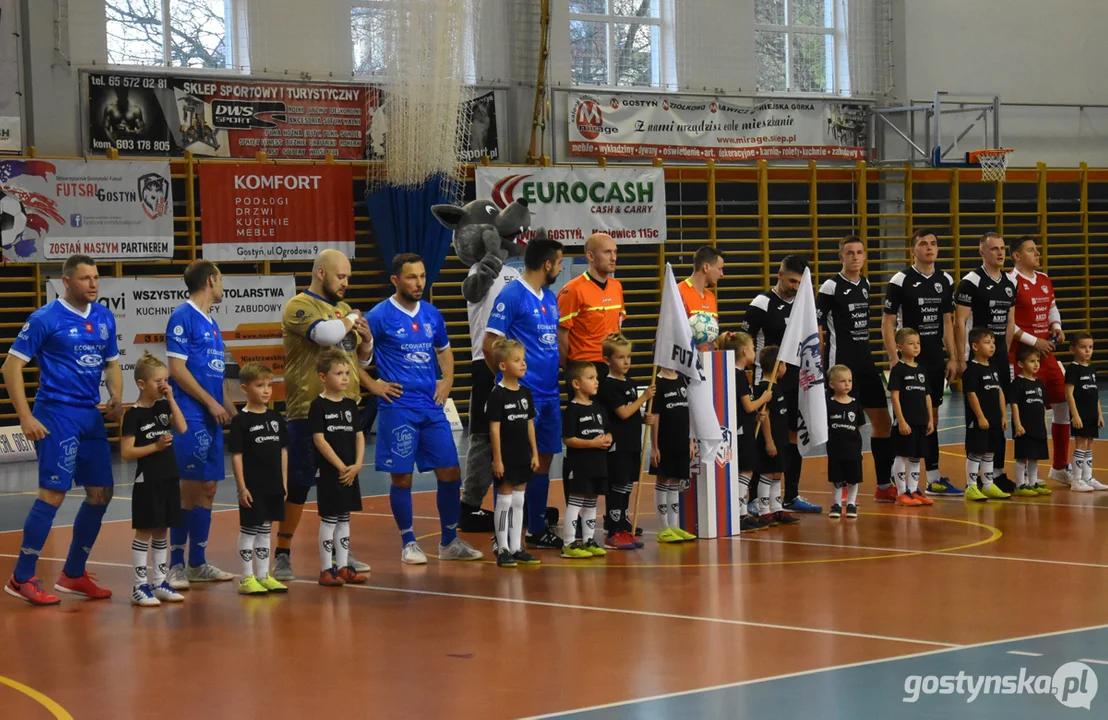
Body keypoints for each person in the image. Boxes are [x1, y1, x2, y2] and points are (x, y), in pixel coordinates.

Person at [3, 255, 122, 605]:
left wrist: (116, 395)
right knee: (53, 494)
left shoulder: (103, 317)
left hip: (90, 415)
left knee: (102, 493)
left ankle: (73, 573)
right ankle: (21, 577)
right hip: (56, 413)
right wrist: (25, 416)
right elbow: (11, 368)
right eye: (85, 278)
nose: (93, 284)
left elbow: (112, 364)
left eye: (96, 277)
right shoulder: (45, 318)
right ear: (66, 282)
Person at [369, 253, 484, 564]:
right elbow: (353, 357)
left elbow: (444, 351)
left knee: (450, 471)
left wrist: (447, 381)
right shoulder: (379, 316)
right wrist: (374, 385)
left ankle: (449, 541)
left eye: (422, 276)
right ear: (395, 280)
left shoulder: (432, 314)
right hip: (398, 408)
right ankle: (408, 542)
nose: (419, 282)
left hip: (432, 407)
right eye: (411, 277)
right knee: (402, 477)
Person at [274, 249, 381, 581]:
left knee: (342, 481)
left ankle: (341, 554)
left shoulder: (343, 311)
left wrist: (366, 343)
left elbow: (356, 361)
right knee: (301, 484)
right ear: (321, 273)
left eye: (348, 277)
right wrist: (349, 321)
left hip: (345, 410)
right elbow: (326, 335)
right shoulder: (299, 306)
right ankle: (282, 552)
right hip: (309, 409)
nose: (346, 283)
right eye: (341, 276)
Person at [484, 235, 566, 550]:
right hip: (522, 397)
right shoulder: (513, 294)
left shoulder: (550, 297)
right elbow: (490, 344)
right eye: (559, 262)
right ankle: (502, 535)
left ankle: (535, 528)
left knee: (541, 459)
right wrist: (509, 388)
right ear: (547, 263)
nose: (559, 267)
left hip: (549, 394)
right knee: (510, 463)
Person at [163, 260, 237, 588]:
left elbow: (216, 371)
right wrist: (209, 402)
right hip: (190, 413)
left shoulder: (213, 323)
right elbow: (177, 369)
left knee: (208, 487)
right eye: (221, 279)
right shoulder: (183, 315)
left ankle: (197, 562)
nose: (223, 285)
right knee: (189, 487)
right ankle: (175, 564)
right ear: (211, 280)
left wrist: (229, 403)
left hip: (211, 416)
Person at [882, 229, 960, 498]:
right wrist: (895, 360)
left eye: (934, 243)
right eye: (923, 244)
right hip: (909, 361)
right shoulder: (901, 280)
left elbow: (948, 321)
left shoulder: (945, 279)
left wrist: (953, 356)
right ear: (912, 250)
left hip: (934, 359)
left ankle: (934, 478)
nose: (929, 248)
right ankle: (901, 485)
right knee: (904, 421)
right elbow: (888, 323)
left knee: (932, 418)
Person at [742, 255, 821, 514]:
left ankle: (790, 495)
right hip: (767, 383)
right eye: (791, 281)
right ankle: (753, 498)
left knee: (792, 438)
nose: (795, 287)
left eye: (800, 283)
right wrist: (746, 382)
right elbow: (745, 344)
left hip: (796, 381)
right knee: (764, 438)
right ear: (779, 275)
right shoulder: (761, 304)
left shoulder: (802, 305)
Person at [817, 236, 892, 501]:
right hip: (842, 365)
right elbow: (818, 327)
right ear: (841, 257)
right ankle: (845, 484)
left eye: (860, 252)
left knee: (883, 422)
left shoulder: (866, 284)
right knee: (846, 427)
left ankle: (884, 486)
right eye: (850, 253)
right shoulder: (830, 286)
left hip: (866, 362)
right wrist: (823, 364)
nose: (855, 257)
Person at [121, 352, 188, 607]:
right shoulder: (133, 415)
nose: (164, 385)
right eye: (158, 381)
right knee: (146, 531)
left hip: (169, 476)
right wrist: (156, 446)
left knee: (163, 529)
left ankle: (160, 582)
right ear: (141, 384)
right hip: (147, 479)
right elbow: (127, 452)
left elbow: (182, 428)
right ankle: (139, 587)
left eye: (166, 380)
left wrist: (171, 399)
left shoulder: (163, 406)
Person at [955, 232, 1017, 491]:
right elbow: (959, 321)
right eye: (994, 249)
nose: (1000, 253)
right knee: (978, 418)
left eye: (1002, 248)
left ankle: (996, 473)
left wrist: (1003, 352)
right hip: (976, 359)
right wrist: (961, 358)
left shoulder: (1009, 283)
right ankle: (975, 478)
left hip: (999, 357)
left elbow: (1011, 322)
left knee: (998, 415)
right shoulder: (971, 282)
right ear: (982, 252)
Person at [1007, 236, 1072, 484]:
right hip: (1023, 356)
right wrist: (1036, 342)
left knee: (1063, 403)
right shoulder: (1011, 281)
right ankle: (1024, 476)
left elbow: (1051, 306)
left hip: (1047, 354)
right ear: (1017, 256)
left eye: (1037, 249)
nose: (1037, 253)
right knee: (1026, 413)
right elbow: (1007, 324)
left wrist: (1056, 326)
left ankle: (1059, 467)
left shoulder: (1044, 279)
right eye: (1031, 250)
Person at [229, 362, 290, 596]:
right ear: (245, 389)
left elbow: (283, 451)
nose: (266, 390)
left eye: (269, 385)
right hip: (252, 486)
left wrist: (283, 483)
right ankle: (246, 578)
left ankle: (264, 575)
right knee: (249, 530)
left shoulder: (276, 418)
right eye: (259, 385)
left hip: (273, 484)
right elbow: (237, 456)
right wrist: (242, 487)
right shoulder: (240, 421)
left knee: (266, 529)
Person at [310, 350, 369, 585]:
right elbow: (319, 439)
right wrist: (341, 466)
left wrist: (357, 465)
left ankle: (343, 566)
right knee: (330, 519)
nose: (344, 378)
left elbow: (359, 436)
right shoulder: (318, 406)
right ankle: (326, 569)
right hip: (330, 472)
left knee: (345, 518)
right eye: (338, 373)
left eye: (346, 373)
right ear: (323, 377)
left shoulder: (350, 405)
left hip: (350, 472)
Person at [486, 339, 541, 568]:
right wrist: (497, 460)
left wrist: (535, 453)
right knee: (505, 501)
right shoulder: (497, 395)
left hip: (522, 455)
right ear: (503, 366)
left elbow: (529, 424)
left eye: (524, 360)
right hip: (505, 456)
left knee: (519, 500)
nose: (523, 364)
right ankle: (503, 548)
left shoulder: (526, 393)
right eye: (517, 360)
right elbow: (494, 429)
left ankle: (517, 546)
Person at [596, 333, 653, 550]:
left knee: (627, 485)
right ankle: (613, 530)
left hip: (631, 443)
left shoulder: (630, 382)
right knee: (617, 487)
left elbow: (632, 413)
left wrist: (644, 417)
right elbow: (622, 413)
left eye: (628, 357)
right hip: (617, 445)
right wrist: (643, 398)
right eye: (620, 357)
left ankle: (622, 525)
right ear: (608, 360)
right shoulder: (608, 385)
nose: (626, 361)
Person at [716, 331, 772, 532]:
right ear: (743, 351)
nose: (755, 352)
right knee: (746, 470)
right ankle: (740, 513)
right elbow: (748, 406)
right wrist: (763, 399)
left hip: (739, 427)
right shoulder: (738, 375)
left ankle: (741, 512)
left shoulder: (730, 372)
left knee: (742, 470)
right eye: (752, 348)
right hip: (740, 431)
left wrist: (755, 417)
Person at [558, 232, 626, 387]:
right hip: (584, 368)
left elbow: (618, 327)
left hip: (612, 366)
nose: (613, 258)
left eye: (615, 252)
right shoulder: (573, 290)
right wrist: (570, 368)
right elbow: (561, 336)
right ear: (590, 256)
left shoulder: (617, 287)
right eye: (607, 252)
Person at [560, 361, 611, 558]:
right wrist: (591, 444)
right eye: (591, 378)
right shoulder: (572, 410)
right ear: (576, 384)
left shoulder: (598, 408)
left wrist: (608, 438)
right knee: (576, 502)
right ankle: (569, 543)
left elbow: (607, 430)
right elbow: (568, 438)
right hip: (579, 464)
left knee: (592, 501)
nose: (596, 382)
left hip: (598, 464)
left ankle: (588, 539)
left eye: (596, 378)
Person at [752, 346, 800, 526]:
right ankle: (764, 510)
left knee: (777, 472)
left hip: (781, 439)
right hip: (770, 440)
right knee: (767, 473)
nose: (786, 368)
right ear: (778, 367)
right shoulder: (765, 389)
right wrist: (769, 441)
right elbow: (765, 418)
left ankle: (776, 508)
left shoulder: (777, 388)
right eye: (784, 364)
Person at [887, 328, 934, 507]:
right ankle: (901, 492)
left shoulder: (921, 370)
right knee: (902, 455)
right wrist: (901, 420)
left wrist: (930, 419)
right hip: (905, 422)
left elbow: (927, 396)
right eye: (911, 343)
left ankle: (913, 490)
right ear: (899, 347)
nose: (916, 347)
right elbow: (895, 397)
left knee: (916, 456)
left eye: (918, 343)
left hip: (921, 421)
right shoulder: (898, 370)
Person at [962, 329, 1010, 501]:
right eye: (987, 342)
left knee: (990, 451)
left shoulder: (994, 368)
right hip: (979, 420)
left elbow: (999, 391)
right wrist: (980, 417)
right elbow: (971, 394)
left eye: (993, 342)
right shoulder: (971, 370)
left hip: (995, 418)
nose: (992, 346)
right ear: (975, 346)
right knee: (977, 451)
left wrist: (1004, 415)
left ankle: (988, 484)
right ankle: (972, 486)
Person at [1009, 346, 1053, 497]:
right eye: (1031, 361)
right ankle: (1021, 485)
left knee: (1035, 456)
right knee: (1023, 456)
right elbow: (1014, 405)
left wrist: (1045, 425)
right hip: (1024, 427)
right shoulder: (1017, 384)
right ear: (1021, 364)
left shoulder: (1039, 384)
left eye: (1037, 361)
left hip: (1038, 427)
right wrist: (1018, 424)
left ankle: (1033, 482)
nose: (1036, 364)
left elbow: (1042, 406)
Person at [1065, 332, 1104, 492]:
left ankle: (1088, 477)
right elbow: (1069, 393)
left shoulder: (1092, 368)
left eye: (1090, 347)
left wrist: (1099, 414)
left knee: (1089, 444)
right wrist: (1075, 415)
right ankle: (1076, 480)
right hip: (1080, 413)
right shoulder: (1073, 369)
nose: (1087, 351)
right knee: (1081, 444)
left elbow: (1095, 394)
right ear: (1072, 349)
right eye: (1083, 347)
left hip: (1092, 413)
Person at [826, 365, 865, 519]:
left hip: (853, 448)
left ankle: (851, 504)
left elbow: (859, 425)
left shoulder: (855, 404)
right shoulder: (829, 404)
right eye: (842, 381)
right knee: (837, 478)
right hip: (835, 448)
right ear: (832, 384)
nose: (847, 384)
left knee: (853, 477)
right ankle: (836, 504)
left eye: (849, 380)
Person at [680, 246, 724, 349]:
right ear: (706, 267)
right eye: (719, 269)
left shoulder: (711, 297)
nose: (722, 274)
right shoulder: (679, 292)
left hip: (707, 360)